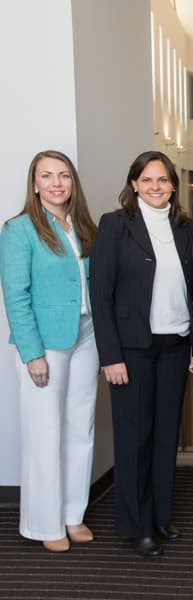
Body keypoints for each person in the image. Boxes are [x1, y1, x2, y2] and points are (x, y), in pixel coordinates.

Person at [89, 151, 193, 558]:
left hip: (175, 346)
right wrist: (110, 356)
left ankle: (159, 518)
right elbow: (100, 295)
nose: (156, 187)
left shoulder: (186, 228)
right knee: (135, 439)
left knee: (165, 437)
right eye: (148, 179)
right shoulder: (115, 226)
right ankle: (136, 526)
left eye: (164, 180)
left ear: (174, 184)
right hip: (132, 350)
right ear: (134, 183)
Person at [0, 150, 98, 552]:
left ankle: (73, 514)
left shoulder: (83, 227)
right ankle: (44, 523)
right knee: (45, 433)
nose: (57, 183)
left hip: (87, 335)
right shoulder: (19, 229)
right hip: (44, 341)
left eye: (64, 176)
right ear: (35, 183)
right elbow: (15, 296)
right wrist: (32, 353)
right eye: (47, 176)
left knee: (80, 427)